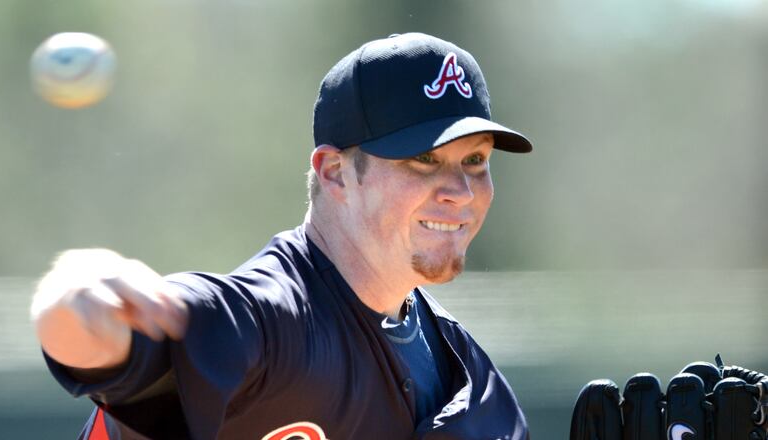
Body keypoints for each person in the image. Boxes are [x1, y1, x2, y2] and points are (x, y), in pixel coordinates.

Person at [30, 32, 533, 440]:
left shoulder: (470, 371)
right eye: (423, 159)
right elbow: (102, 344)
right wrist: (72, 294)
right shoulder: (266, 322)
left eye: (475, 160)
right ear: (335, 172)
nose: (460, 190)